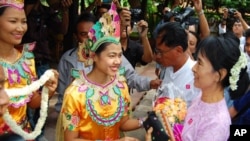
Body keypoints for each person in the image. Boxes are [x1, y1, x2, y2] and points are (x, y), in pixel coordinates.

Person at [56, 3, 145, 140]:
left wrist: (148, 120)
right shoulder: (75, 93)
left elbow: (124, 123)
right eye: (111, 56)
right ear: (94, 57)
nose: (118, 61)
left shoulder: (121, 86)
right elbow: (71, 139)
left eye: (120, 55)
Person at [55, 11, 162, 113]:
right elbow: (62, 93)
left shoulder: (111, 55)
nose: (89, 38)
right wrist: (66, 117)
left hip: (107, 112)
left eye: (92, 33)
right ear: (76, 36)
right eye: (83, 34)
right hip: (77, 116)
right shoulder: (67, 60)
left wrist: (150, 83)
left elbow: (130, 76)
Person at [0, 1, 59, 140]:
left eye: (24, 21)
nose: (20, 28)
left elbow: (32, 102)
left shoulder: (27, 58)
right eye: (13, 21)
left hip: (23, 133)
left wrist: (47, 90)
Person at [181, 33, 249, 140]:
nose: (193, 68)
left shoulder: (216, 124)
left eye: (199, 63)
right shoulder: (201, 98)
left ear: (219, 75)